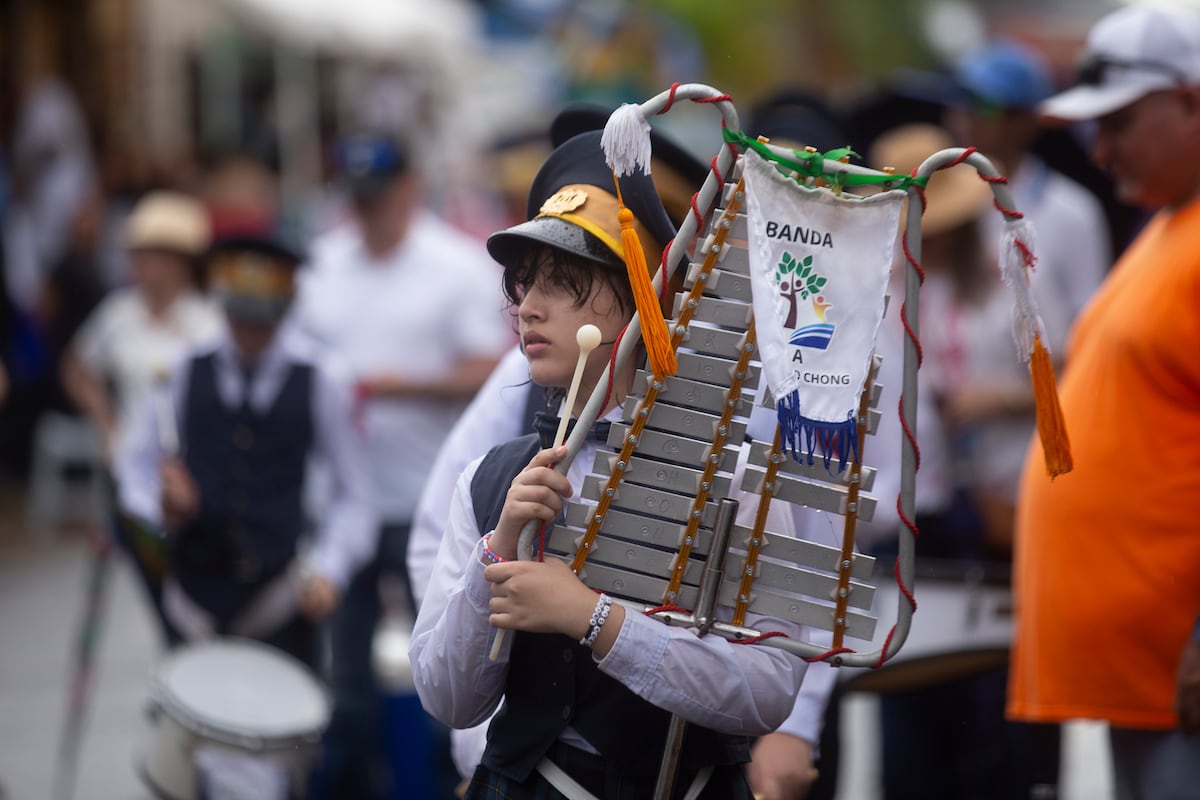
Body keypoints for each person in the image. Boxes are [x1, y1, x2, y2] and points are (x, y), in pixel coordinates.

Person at [408, 111, 830, 800]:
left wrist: (594, 619)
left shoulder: (738, 474)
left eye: (561, 280)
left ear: (641, 294)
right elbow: (449, 701)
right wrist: (500, 548)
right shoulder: (490, 477)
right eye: (524, 282)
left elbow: (769, 688)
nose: (528, 309)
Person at [1008, 4, 1200, 798]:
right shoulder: (1166, 227)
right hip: (1144, 684)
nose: (1100, 147)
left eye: (1119, 121)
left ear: (1191, 99)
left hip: (1179, 681)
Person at [115, 232, 377, 797]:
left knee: (277, 764)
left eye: (263, 321)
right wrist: (161, 510)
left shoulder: (324, 378)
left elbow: (355, 497)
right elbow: (133, 475)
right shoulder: (183, 370)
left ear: (286, 311)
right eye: (239, 319)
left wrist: (330, 567)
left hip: (277, 603)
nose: (249, 334)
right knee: (188, 765)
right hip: (193, 605)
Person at [293, 133, 511, 799]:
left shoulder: (455, 264)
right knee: (348, 677)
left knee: (446, 661)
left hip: (429, 496)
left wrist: (398, 385)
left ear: (409, 191)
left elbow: (493, 365)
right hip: (344, 499)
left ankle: (449, 781)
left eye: (379, 197)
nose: (368, 211)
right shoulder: (322, 264)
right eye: (358, 198)